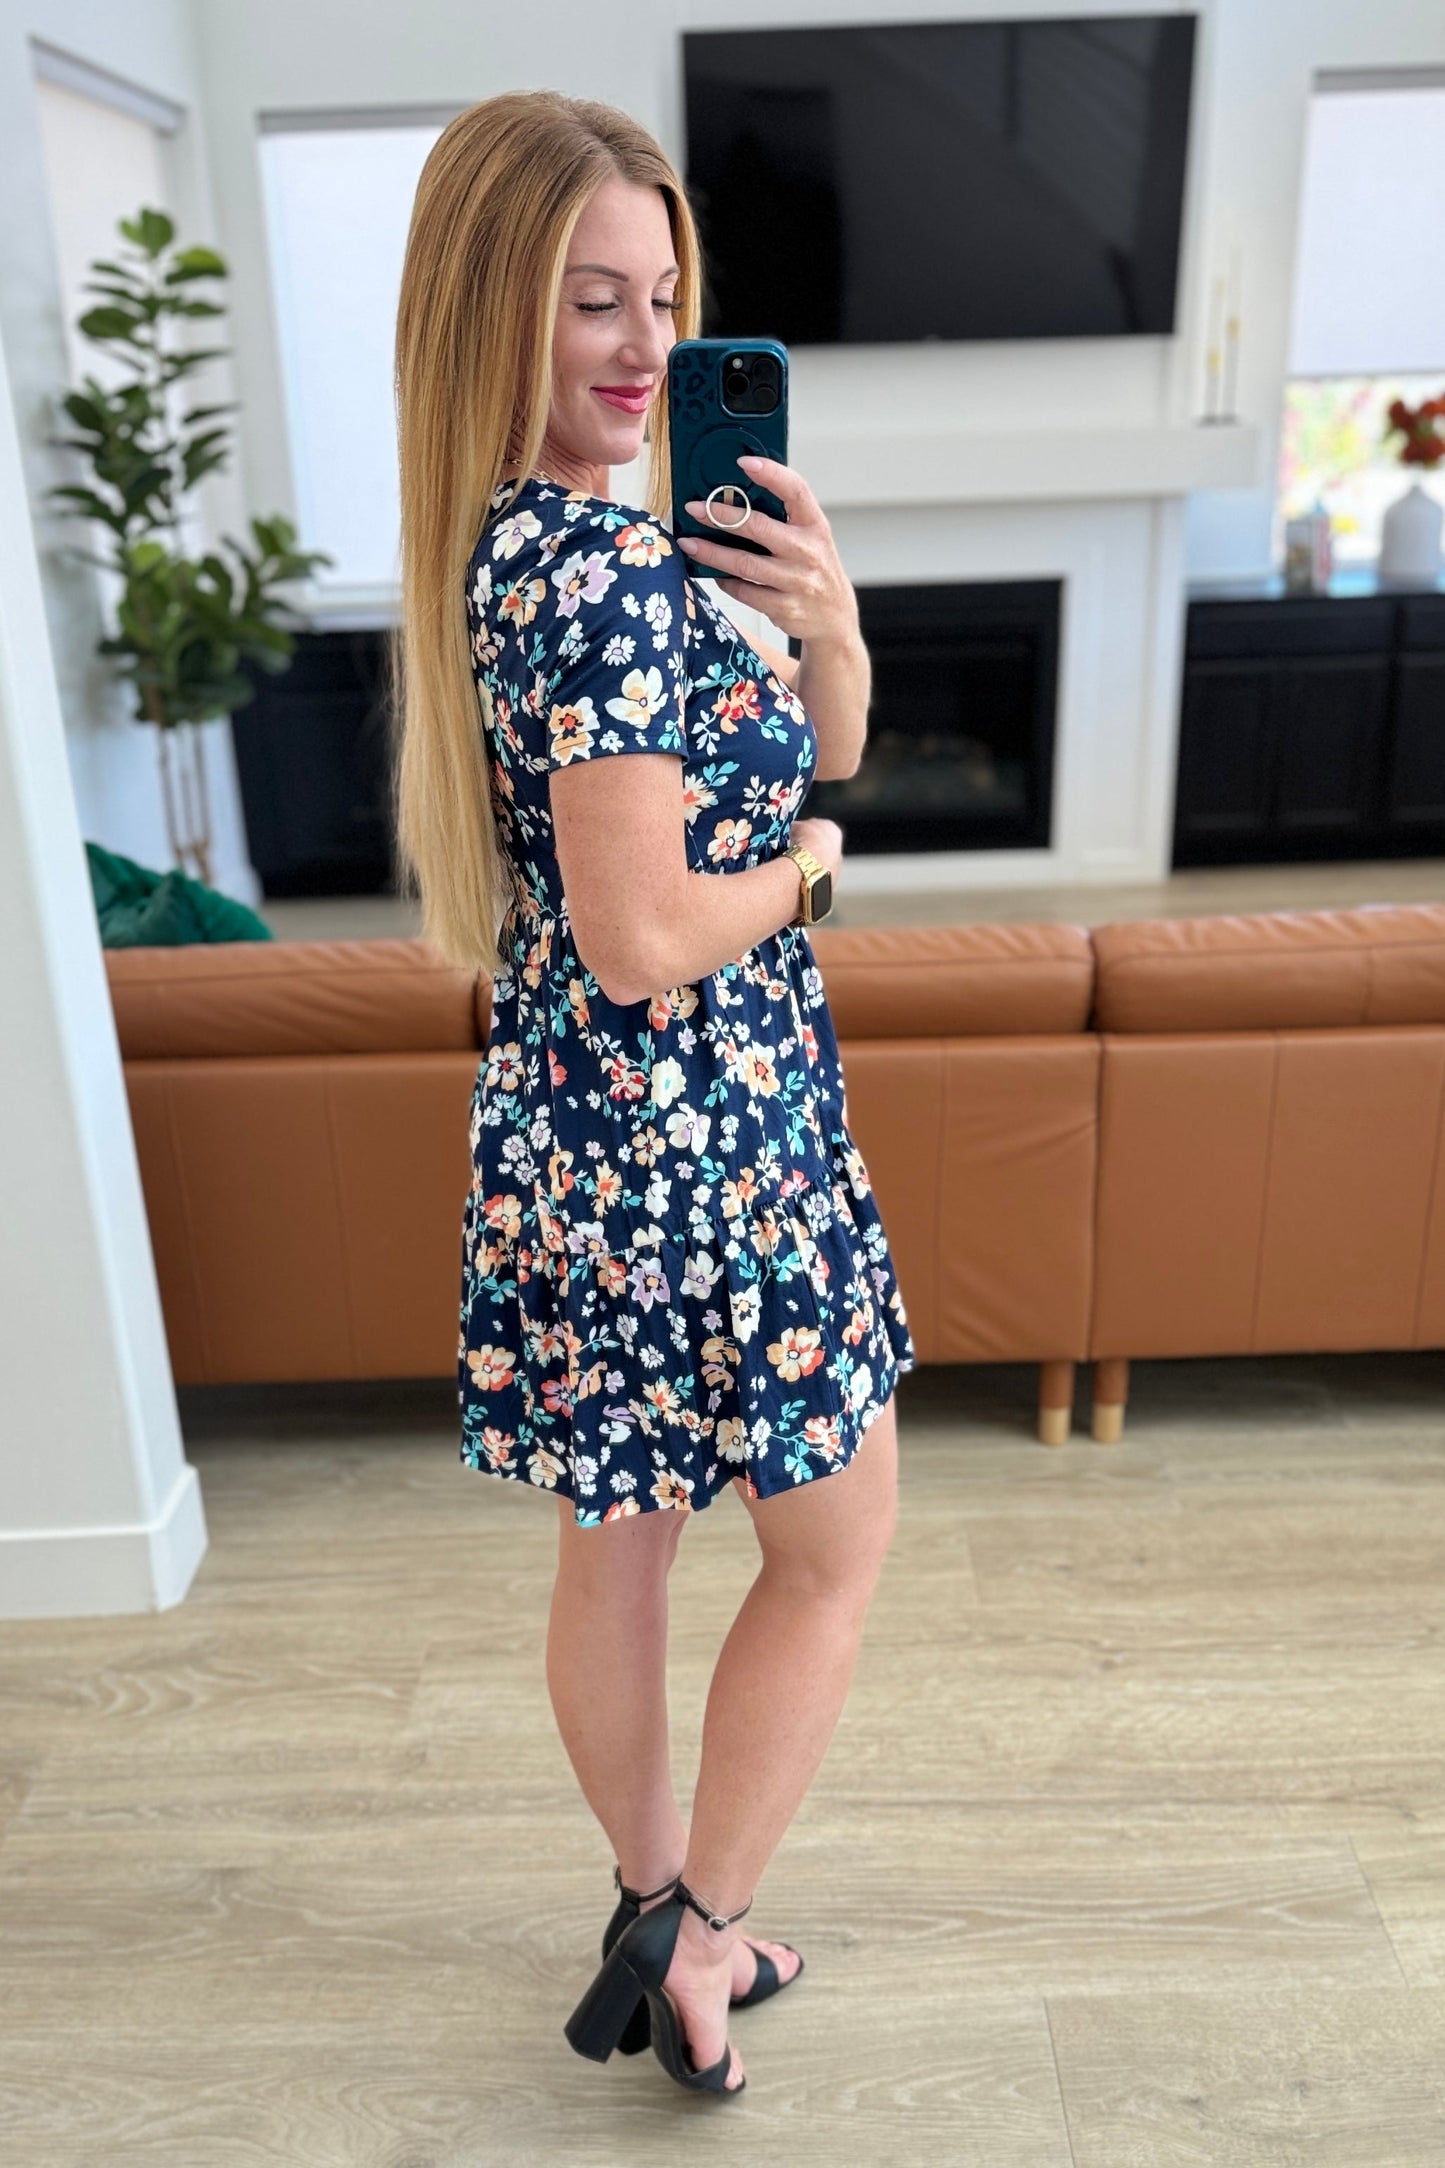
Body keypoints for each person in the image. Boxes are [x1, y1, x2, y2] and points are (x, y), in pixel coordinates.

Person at [391, 88, 916, 2098]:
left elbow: (824, 745)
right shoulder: (608, 576)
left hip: (577, 1140)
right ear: (493, 311)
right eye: (589, 299)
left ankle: (648, 1897)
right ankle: (706, 1937)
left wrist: (827, 622)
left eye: (665, 299)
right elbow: (646, 933)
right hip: (706, 1140)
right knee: (834, 1545)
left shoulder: (525, 549)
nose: (642, 349)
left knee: (619, 1542)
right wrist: (814, 878)